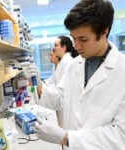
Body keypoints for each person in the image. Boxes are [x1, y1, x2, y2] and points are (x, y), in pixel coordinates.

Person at [25, 0, 125, 149]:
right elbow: (60, 98)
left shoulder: (121, 70)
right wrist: (38, 84)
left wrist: (67, 138)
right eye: (74, 39)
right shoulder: (75, 65)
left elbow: (120, 135)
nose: (77, 47)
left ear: (104, 32)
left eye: (83, 39)